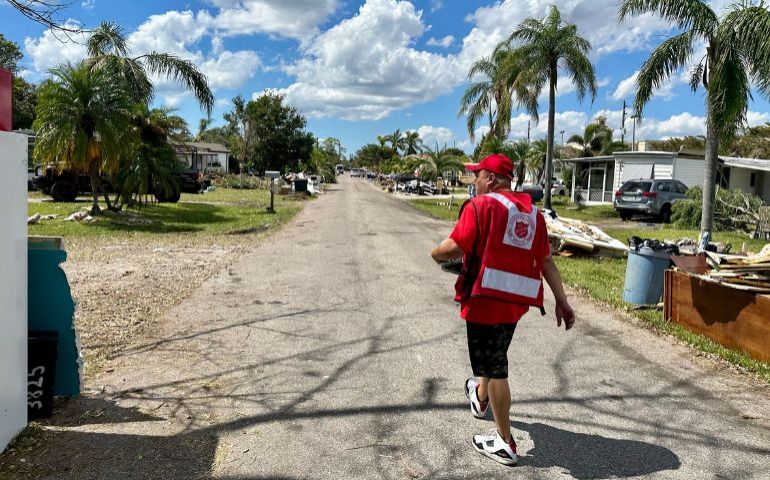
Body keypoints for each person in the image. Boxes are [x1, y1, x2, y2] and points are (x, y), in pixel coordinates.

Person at [430, 153, 575, 466]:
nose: (475, 181)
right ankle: (481, 398)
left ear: (491, 179)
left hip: (485, 300)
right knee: (493, 355)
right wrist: (561, 301)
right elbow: (546, 260)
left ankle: (505, 441)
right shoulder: (533, 214)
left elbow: (454, 247)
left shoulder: (480, 206)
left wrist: (434, 254)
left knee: (495, 368)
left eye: (477, 175)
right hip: (515, 303)